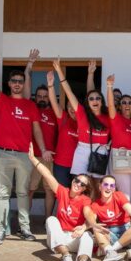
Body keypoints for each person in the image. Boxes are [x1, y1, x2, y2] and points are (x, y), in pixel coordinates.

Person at [0, 53, 53, 245]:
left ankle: (25, 229)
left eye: (20, 81)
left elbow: (37, 130)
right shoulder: (3, 100)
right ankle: (1, 231)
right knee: (3, 193)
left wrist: (44, 149)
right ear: (9, 83)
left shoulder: (30, 106)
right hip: (3, 153)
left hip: (24, 156)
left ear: (23, 84)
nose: (17, 83)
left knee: (23, 193)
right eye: (14, 81)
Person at [28, 143, 93, 261]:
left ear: (84, 189)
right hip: (59, 239)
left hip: (75, 237)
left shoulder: (85, 199)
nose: (78, 184)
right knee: (51, 219)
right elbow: (48, 175)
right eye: (77, 180)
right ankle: (65, 255)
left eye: (82, 184)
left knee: (88, 235)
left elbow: (89, 215)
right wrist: (34, 159)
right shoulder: (62, 191)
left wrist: (84, 227)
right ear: (72, 180)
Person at [54, 58, 110, 197]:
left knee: (97, 187)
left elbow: (92, 92)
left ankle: (93, 214)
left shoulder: (108, 115)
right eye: (91, 99)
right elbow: (68, 92)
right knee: (79, 185)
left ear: (102, 101)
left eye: (98, 98)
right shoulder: (82, 114)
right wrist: (60, 72)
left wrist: (92, 75)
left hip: (100, 153)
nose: (94, 101)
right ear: (87, 102)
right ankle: (76, 214)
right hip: (83, 151)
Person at [44, 71, 79, 211]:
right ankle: (61, 220)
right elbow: (53, 102)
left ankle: (73, 220)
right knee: (62, 194)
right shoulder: (63, 118)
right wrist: (51, 85)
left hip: (78, 166)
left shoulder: (84, 122)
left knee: (76, 195)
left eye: (73, 106)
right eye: (69, 106)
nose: (71, 109)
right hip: (61, 165)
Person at [27, 83, 58, 219]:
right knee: (30, 190)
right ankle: (25, 223)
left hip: (50, 158)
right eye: (39, 96)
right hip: (33, 157)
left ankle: (47, 221)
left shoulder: (55, 114)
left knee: (49, 190)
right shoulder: (31, 110)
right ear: (35, 97)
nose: (42, 99)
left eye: (45, 96)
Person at [105, 74, 131, 200]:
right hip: (119, 155)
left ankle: (129, 216)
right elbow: (111, 105)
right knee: (126, 194)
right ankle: (126, 218)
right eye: (124, 102)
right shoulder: (116, 119)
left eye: (130, 102)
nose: (127, 104)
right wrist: (109, 86)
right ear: (120, 106)